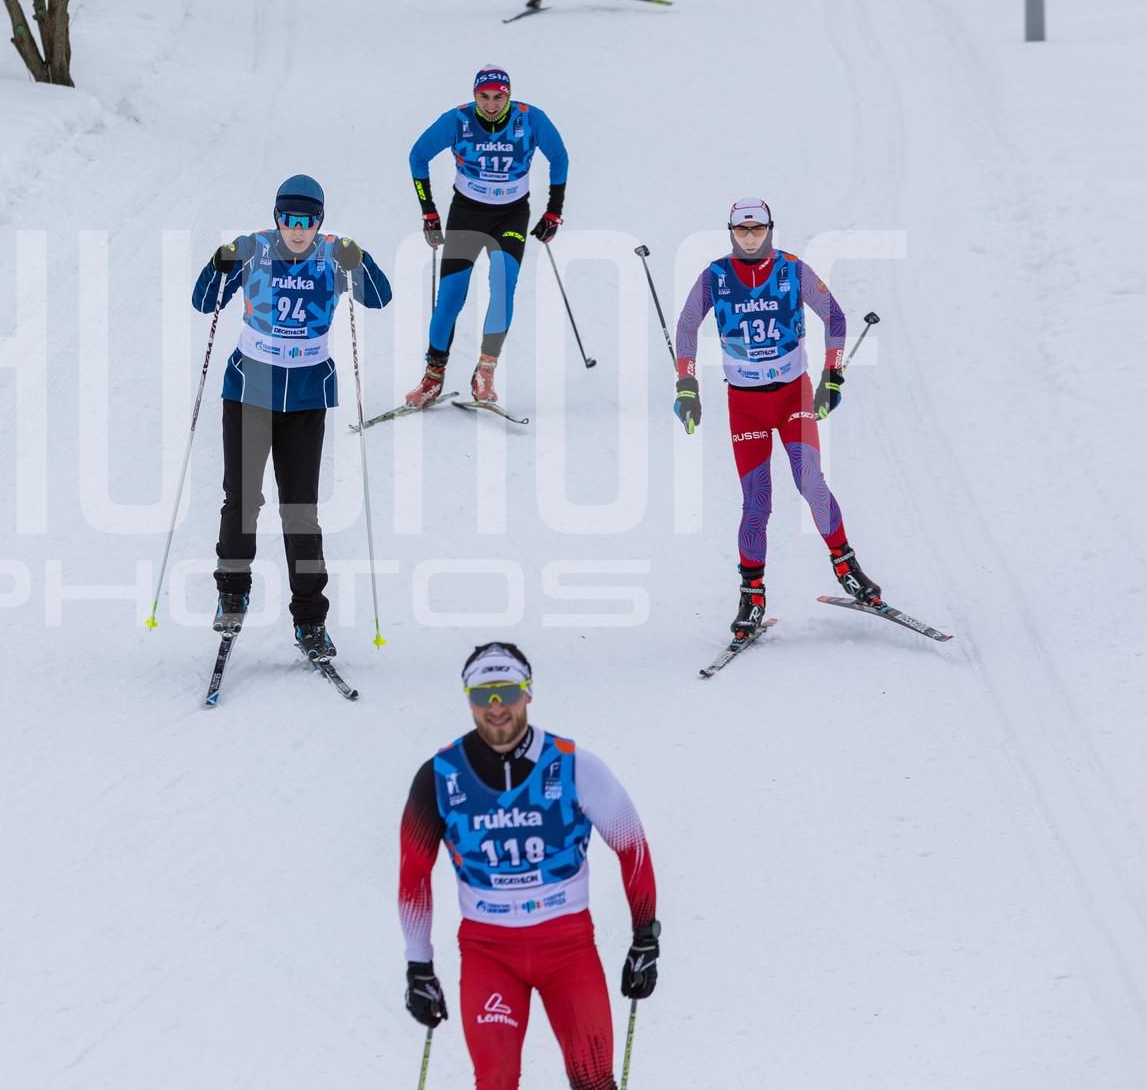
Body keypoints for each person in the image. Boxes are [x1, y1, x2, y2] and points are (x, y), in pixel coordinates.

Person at [397, 643, 660, 1090]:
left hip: (568, 948)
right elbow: (413, 874)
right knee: (495, 1081)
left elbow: (632, 846)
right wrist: (418, 966)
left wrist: (644, 939)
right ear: (469, 699)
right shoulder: (439, 776)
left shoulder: (575, 765)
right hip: (488, 952)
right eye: (483, 696)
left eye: (506, 692)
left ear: (528, 693)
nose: (496, 708)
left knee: (594, 1080)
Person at [191, 175, 393, 661]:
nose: (297, 230)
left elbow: (380, 298)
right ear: (276, 217)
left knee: (299, 511)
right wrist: (216, 264)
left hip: (305, 397)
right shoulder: (254, 249)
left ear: (319, 221)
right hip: (249, 391)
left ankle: (310, 621)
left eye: (306, 221)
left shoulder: (332, 253)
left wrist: (361, 261)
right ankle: (232, 590)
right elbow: (204, 302)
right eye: (288, 219)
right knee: (242, 498)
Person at [671, 199, 883, 643]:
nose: (750, 236)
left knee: (810, 480)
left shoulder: (792, 269)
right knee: (757, 501)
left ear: (771, 229)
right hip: (744, 403)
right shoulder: (716, 276)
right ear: (730, 231)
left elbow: (836, 318)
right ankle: (752, 595)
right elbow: (688, 326)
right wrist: (686, 387)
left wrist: (834, 376)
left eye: (758, 229)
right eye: (742, 230)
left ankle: (847, 569)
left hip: (792, 396)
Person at [402, 65, 568, 408]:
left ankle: (485, 372)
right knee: (450, 296)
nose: (491, 105)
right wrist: (429, 212)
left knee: (503, 284)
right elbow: (418, 156)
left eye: (498, 97)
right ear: (474, 95)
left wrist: (553, 210)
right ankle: (433, 376)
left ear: (509, 94)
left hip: (511, 214)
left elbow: (560, 158)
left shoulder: (530, 119)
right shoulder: (457, 120)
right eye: (484, 97)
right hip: (467, 213)